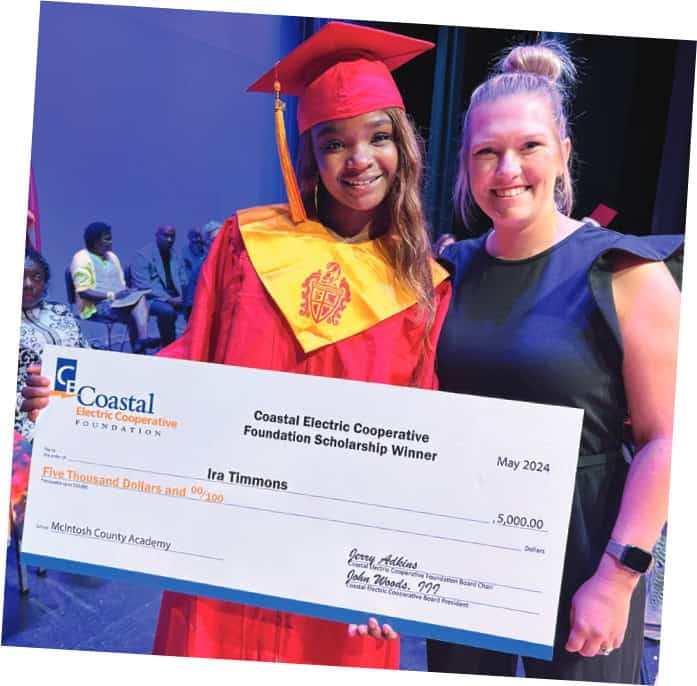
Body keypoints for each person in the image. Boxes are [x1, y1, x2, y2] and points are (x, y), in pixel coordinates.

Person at [22, 22, 451, 669]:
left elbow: (424, 438)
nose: (357, 159)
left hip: (336, 563)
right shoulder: (248, 247)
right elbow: (190, 363)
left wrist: (397, 566)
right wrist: (77, 401)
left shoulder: (421, 286)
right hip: (226, 537)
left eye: (378, 136)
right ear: (308, 151)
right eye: (333, 142)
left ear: (404, 147)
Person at [429, 41, 681, 683]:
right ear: (465, 164)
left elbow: (667, 441)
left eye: (529, 146)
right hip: (463, 548)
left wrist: (619, 577)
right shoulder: (446, 272)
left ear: (564, 152)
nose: (506, 168)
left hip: (585, 552)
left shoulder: (626, 271)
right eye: (487, 151)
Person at [70, 221, 155, 354]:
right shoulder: (81, 258)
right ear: (96, 242)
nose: (111, 242)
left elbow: (120, 284)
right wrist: (113, 296)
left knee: (140, 298)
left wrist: (129, 291)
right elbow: (83, 292)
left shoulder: (113, 257)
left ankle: (142, 341)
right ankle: (140, 347)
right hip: (96, 306)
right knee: (136, 314)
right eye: (107, 239)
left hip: (118, 301)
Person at [131, 224, 186, 346]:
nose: (169, 240)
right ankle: (168, 346)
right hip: (150, 299)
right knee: (167, 311)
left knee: (197, 307)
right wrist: (169, 300)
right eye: (166, 236)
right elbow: (143, 286)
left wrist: (185, 296)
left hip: (175, 298)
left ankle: (192, 347)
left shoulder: (175, 255)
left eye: (172, 236)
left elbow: (183, 280)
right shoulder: (142, 255)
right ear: (157, 236)